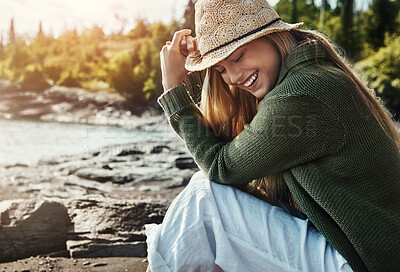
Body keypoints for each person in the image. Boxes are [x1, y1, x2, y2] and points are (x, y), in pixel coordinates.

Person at [145, 0, 400, 271]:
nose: (231, 77)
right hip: (359, 251)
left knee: (204, 198)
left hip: (363, 262)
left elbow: (221, 167)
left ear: (270, 36)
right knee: (216, 226)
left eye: (238, 56)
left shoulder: (301, 92)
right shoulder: (312, 70)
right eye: (220, 69)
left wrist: (173, 90)